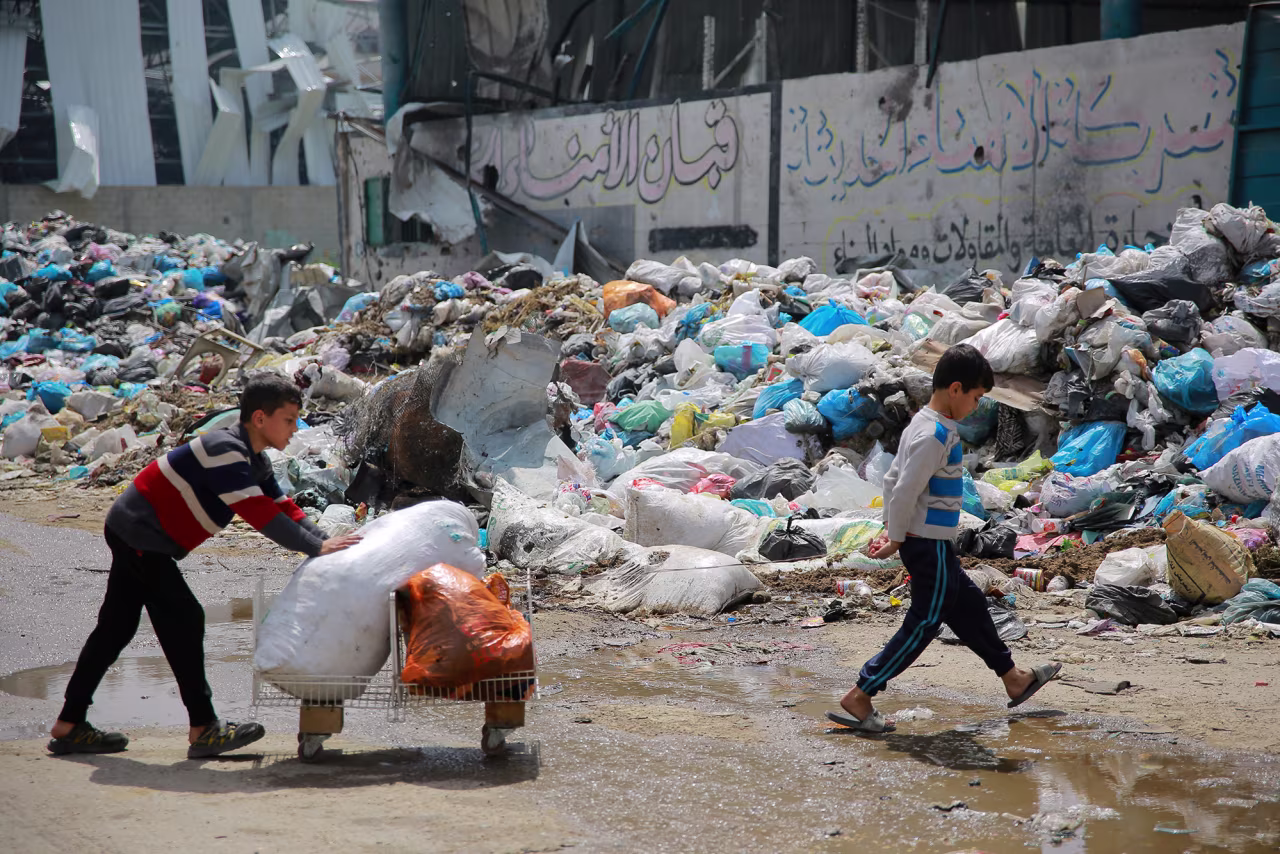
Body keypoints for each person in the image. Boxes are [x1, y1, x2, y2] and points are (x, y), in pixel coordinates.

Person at [48, 375, 362, 758]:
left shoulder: (254, 458)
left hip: (135, 532)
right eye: (289, 419)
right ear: (260, 418)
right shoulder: (227, 451)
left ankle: (69, 723)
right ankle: (203, 727)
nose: (295, 429)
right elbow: (263, 517)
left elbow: (282, 506)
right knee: (184, 618)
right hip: (141, 536)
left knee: (115, 629)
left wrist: (324, 540)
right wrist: (318, 548)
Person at [827, 343, 1061, 733]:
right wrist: (897, 537)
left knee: (967, 604)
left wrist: (894, 528)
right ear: (955, 389)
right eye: (975, 397)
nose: (975, 405)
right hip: (927, 544)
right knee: (925, 621)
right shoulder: (934, 435)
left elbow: (891, 481)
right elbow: (902, 490)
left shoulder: (924, 424)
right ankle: (861, 693)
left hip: (931, 542)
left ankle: (1013, 677)